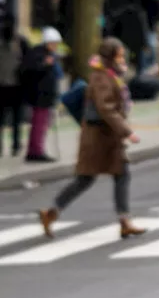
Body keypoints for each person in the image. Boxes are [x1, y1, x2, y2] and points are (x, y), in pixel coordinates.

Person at [39, 38, 146, 240]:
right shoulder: (101, 77)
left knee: (119, 174)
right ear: (111, 57)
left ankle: (124, 221)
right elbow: (107, 108)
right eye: (119, 55)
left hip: (106, 137)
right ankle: (51, 212)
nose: (123, 58)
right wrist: (127, 132)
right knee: (86, 179)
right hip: (98, 138)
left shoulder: (110, 75)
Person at [20, 27, 62, 162]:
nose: (55, 46)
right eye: (53, 43)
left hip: (45, 94)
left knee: (41, 123)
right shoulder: (39, 54)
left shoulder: (47, 54)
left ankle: (35, 149)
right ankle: (36, 151)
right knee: (39, 123)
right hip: (39, 94)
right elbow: (32, 71)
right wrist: (45, 64)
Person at [0, 14, 21, 156]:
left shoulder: (20, 42)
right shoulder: (19, 42)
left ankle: (15, 144)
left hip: (15, 86)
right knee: (9, 118)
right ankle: (13, 145)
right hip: (4, 85)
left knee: (16, 118)